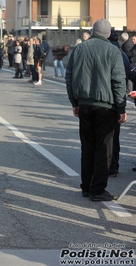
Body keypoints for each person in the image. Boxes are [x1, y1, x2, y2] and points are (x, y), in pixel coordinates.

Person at [66, 18, 127, 201]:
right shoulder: (113, 51)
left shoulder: (79, 49)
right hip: (106, 106)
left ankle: (86, 186)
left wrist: (74, 102)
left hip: (84, 104)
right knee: (103, 148)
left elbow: (69, 77)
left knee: (87, 147)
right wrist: (121, 107)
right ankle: (97, 190)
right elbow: (118, 81)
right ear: (108, 34)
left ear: (92, 31)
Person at [107, 30, 130, 177]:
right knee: (115, 135)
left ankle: (109, 165)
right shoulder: (123, 55)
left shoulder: (109, 54)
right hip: (119, 99)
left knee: (107, 136)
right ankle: (114, 165)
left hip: (108, 99)